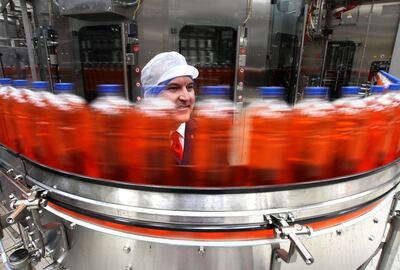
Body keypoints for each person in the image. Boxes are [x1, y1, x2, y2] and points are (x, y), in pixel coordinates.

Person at [141, 51, 199, 165]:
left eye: (189, 87)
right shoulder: (138, 139)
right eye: (173, 88)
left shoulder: (206, 133)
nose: (186, 97)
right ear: (152, 96)